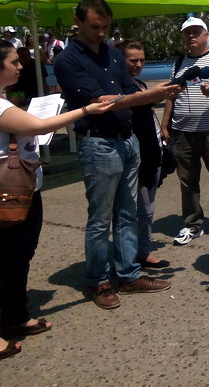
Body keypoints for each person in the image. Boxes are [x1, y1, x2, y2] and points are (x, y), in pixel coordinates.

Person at [54, 0, 180, 309]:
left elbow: (130, 90)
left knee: (127, 212)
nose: (101, 33)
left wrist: (157, 92)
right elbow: (104, 102)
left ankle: (128, 274)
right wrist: (151, 95)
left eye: (106, 27)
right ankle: (99, 281)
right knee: (100, 219)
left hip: (127, 139)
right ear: (78, 22)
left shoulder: (111, 53)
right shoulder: (67, 60)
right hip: (99, 143)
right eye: (95, 27)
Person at [0, 40, 114, 360]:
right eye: (13, 62)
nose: (21, 66)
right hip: (8, 192)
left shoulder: (5, 100)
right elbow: (38, 126)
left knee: (20, 255)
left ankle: (15, 315)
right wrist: (87, 109)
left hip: (24, 188)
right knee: (7, 257)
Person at [161, 17, 209, 246]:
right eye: (187, 33)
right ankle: (193, 225)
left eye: (195, 32)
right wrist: (164, 125)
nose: (191, 36)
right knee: (187, 182)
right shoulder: (179, 62)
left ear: (206, 34)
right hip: (182, 131)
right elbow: (171, 95)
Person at [120, 40, 170, 269]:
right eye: (133, 60)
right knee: (138, 209)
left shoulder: (139, 83)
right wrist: (156, 94)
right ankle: (136, 254)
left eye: (142, 60)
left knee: (147, 206)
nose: (138, 65)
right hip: (136, 154)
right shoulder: (121, 87)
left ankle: (142, 249)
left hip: (152, 150)